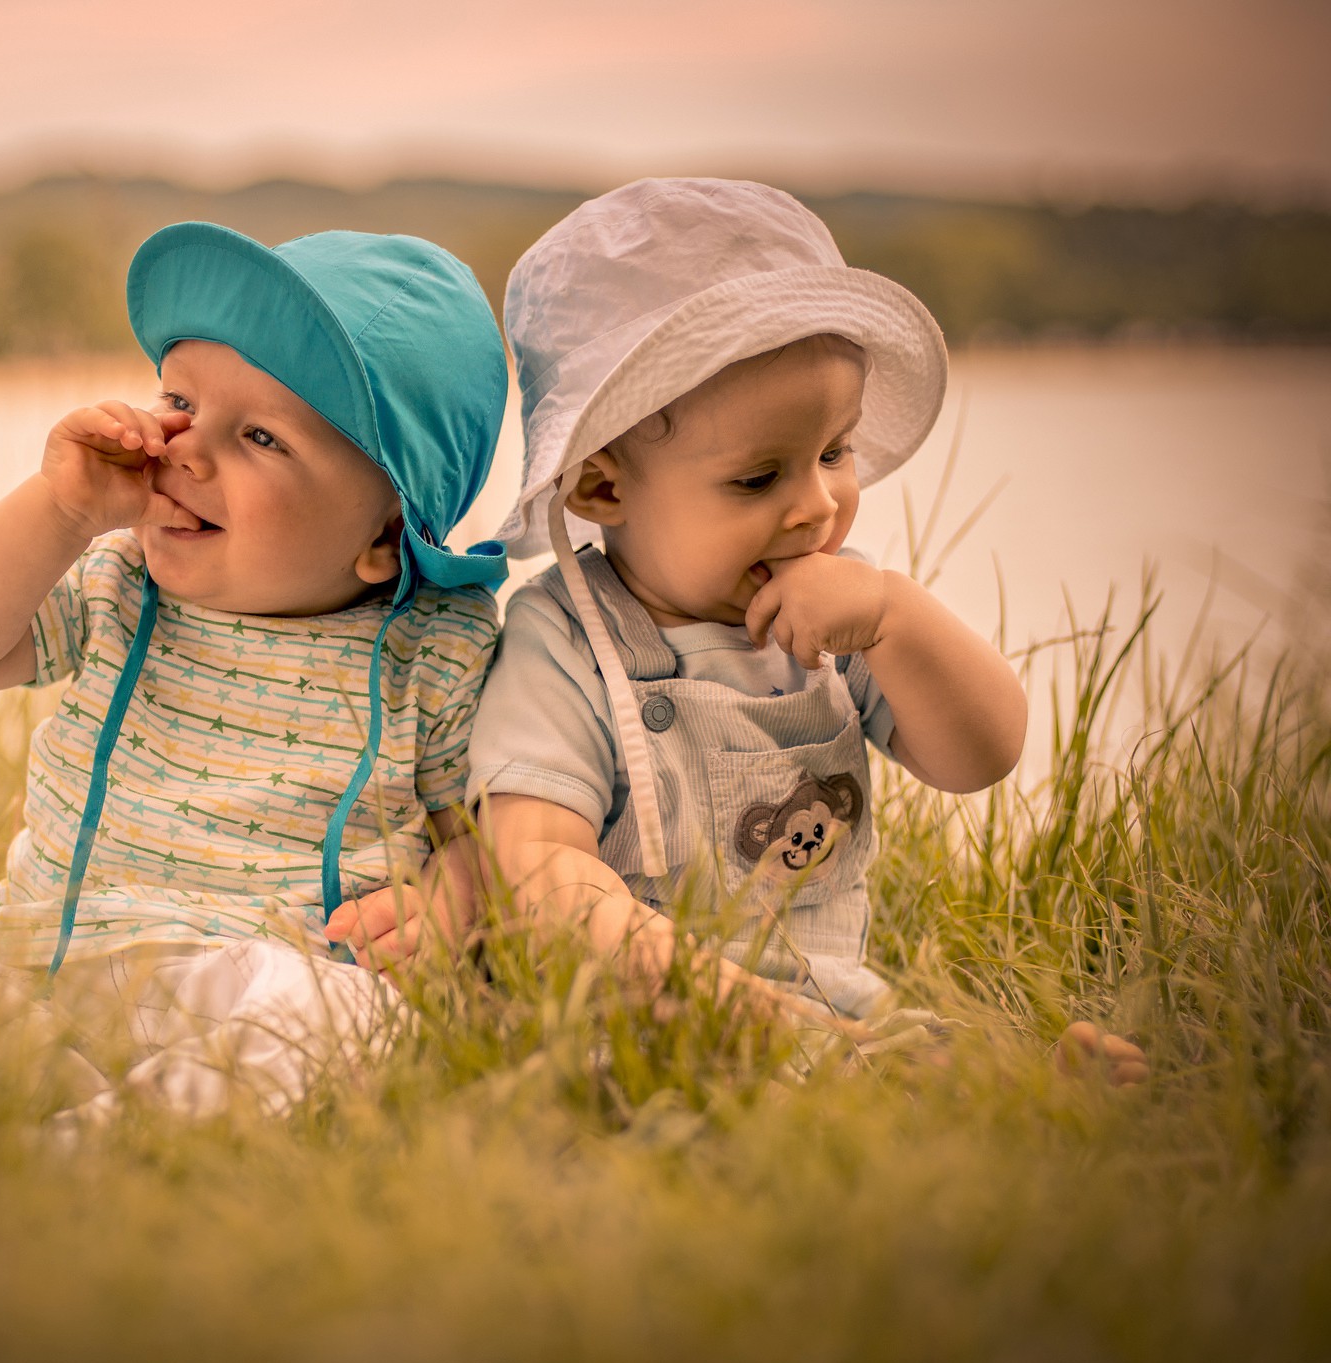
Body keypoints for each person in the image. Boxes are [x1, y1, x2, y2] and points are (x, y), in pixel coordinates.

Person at [344, 178, 1145, 1082]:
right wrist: (726, 1000)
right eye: (759, 478)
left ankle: (1012, 1082)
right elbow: (538, 867)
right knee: (797, 1074)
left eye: (835, 452)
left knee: (896, 1055)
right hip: (637, 1012)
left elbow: (983, 754)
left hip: (830, 1001)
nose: (817, 505)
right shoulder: (565, 637)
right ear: (604, 488)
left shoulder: (846, 617)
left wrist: (894, 615)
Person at [0, 222, 514, 1121]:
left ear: (384, 534)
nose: (184, 448)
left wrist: (456, 895)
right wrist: (62, 510)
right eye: (179, 400)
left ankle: (117, 1137)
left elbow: (484, 828)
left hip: (272, 978)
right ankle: (49, 1105)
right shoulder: (118, 586)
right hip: (51, 971)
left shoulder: (435, 648)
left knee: (342, 1021)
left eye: (261, 436)